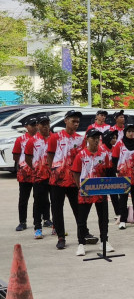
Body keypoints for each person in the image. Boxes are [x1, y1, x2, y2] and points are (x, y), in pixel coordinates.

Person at [48, 110, 88, 250]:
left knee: (78, 208)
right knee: (57, 209)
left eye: (78, 122)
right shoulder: (55, 137)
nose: (76, 124)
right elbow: (50, 156)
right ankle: (60, 236)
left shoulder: (80, 139)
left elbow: (83, 158)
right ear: (66, 121)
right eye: (73, 121)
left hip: (74, 180)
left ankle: (83, 234)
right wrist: (54, 171)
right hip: (57, 180)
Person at [71, 129, 113, 257]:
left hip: (100, 190)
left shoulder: (104, 154)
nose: (96, 140)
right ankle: (81, 244)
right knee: (82, 218)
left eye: (97, 138)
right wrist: (80, 187)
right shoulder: (81, 155)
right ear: (87, 139)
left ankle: (104, 241)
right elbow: (75, 173)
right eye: (93, 138)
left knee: (103, 217)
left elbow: (107, 171)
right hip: (86, 191)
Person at [24, 116, 53, 239]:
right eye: (42, 124)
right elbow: (27, 158)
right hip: (39, 177)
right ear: (38, 126)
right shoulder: (32, 141)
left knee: (55, 202)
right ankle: (37, 228)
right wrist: (36, 168)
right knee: (38, 202)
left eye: (47, 123)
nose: (45, 126)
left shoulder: (54, 138)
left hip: (54, 177)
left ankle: (56, 226)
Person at [113, 125, 134, 229]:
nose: (131, 133)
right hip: (123, 175)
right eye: (129, 131)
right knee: (123, 198)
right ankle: (123, 220)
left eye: (133, 131)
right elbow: (115, 159)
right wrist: (116, 171)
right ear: (125, 132)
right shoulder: (119, 144)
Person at [13, 118, 37, 231]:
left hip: (39, 173)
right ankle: (22, 221)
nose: (35, 127)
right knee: (23, 198)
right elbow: (16, 156)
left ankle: (45, 219)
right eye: (32, 125)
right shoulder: (20, 139)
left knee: (41, 198)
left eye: (36, 125)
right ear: (26, 127)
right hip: (25, 173)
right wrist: (23, 165)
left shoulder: (40, 138)